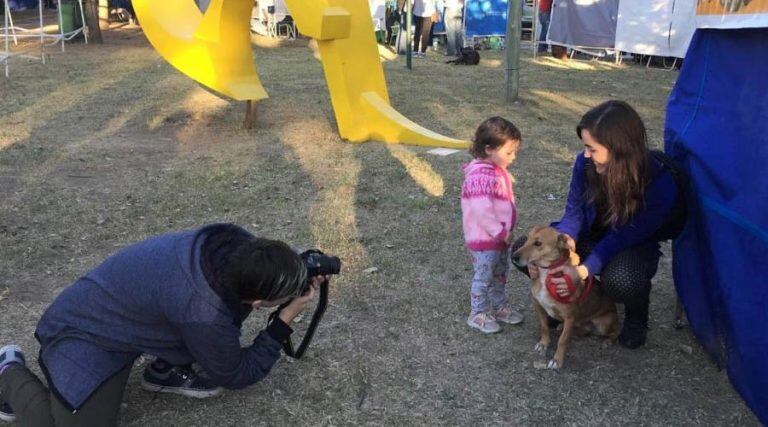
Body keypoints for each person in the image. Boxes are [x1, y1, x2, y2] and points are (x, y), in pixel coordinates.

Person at [0, 223, 325, 425]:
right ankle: (8, 370)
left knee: (206, 327)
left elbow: (228, 306)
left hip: (130, 315)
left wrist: (292, 269)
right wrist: (285, 318)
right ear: (258, 303)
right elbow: (238, 373)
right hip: (84, 332)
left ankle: (164, 369)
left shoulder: (234, 246)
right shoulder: (203, 309)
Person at [511, 100, 680, 349]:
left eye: (592, 148)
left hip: (630, 245)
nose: (586, 154)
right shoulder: (586, 163)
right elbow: (574, 211)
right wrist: (566, 238)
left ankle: (636, 312)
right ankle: (560, 303)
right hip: (590, 235)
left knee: (622, 280)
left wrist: (584, 269)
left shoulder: (660, 186)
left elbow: (623, 237)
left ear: (619, 148)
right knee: (524, 250)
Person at [461, 117, 526, 334]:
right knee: (484, 276)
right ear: (489, 149)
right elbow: (482, 211)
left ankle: (499, 307)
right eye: (509, 152)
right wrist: (500, 231)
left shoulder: (495, 171)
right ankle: (477, 313)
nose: (513, 157)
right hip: (485, 240)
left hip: (499, 240)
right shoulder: (479, 176)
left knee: (500, 273)